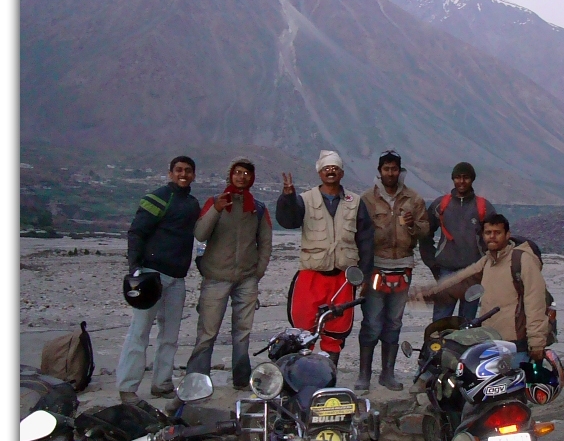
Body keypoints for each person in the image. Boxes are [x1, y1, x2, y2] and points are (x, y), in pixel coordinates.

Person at [275, 150, 374, 365]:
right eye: (326, 168)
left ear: (342, 172)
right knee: (304, 327)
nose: (331, 171)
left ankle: (330, 372)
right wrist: (287, 197)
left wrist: (365, 274)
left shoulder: (355, 202)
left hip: (343, 278)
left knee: (336, 330)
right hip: (311, 275)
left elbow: (366, 240)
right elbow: (288, 220)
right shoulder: (304, 199)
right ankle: (303, 373)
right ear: (320, 172)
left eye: (335, 168)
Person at [117, 156, 201, 403]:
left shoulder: (193, 204)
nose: (183, 174)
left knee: (170, 335)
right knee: (139, 332)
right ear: (170, 173)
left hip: (177, 279)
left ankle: (162, 383)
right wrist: (135, 269)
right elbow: (137, 232)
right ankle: (127, 387)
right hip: (152, 275)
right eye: (178, 170)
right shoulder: (157, 198)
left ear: (193, 175)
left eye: (187, 171)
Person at [184, 157, 272, 390]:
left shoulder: (258, 208)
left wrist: (258, 273)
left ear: (251, 178)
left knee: (242, 332)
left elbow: (265, 243)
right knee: (207, 332)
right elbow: (200, 234)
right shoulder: (215, 202)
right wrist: (216, 210)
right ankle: (197, 380)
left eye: (246, 173)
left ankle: (241, 380)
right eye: (238, 172)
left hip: (246, 279)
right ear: (230, 175)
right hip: (215, 277)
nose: (241, 177)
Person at [413, 213, 548, 363]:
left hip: (517, 344)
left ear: (507, 235)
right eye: (488, 232)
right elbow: (459, 282)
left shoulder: (522, 260)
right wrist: (425, 295)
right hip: (492, 340)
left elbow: (535, 302)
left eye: (497, 233)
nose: (492, 236)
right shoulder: (487, 262)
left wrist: (537, 342)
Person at [357, 150, 430, 392]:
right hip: (376, 267)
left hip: (403, 267)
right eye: (386, 168)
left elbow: (425, 229)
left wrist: (412, 226)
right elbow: (358, 232)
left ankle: (387, 373)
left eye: (394, 168)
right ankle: (364, 374)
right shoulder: (367, 199)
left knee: (394, 322)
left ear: (400, 171)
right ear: (379, 171)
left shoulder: (414, 198)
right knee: (372, 321)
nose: (390, 173)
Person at [419, 162, 496, 322]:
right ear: (453, 179)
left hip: (474, 274)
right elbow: (425, 234)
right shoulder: (440, 205)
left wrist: (488, 267)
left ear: (472, 180)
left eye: (466, 178)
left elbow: (495, 238)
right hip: (446, 272)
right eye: (458, 177)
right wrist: (433, 263)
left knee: (467, 323)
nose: (462, 181)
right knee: (440, 322)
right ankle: (437, 347)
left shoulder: (484, 207)